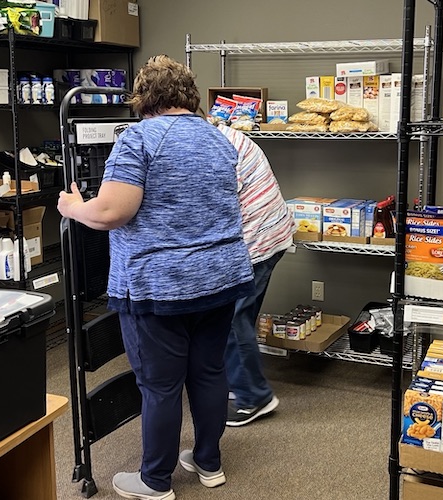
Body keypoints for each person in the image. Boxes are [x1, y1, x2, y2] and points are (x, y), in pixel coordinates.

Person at [58, 55, 254, 500]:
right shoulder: (220, 137)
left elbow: (111, 211)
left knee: (161, 385)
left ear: (143, 97)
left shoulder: (139, 138)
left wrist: (73, 207)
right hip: (221, 277)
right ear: (190, 95)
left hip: (160, 286)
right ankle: (208, 463)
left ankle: (155, 481)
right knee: (209, 372)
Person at [215, 124, 294, 426]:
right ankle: (239, 383)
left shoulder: (216, 147)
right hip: (269, 233)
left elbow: (214, 204)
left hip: (256, 241)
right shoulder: (222, 133)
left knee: (231, 320)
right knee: (241, 317)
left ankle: (254, 397)